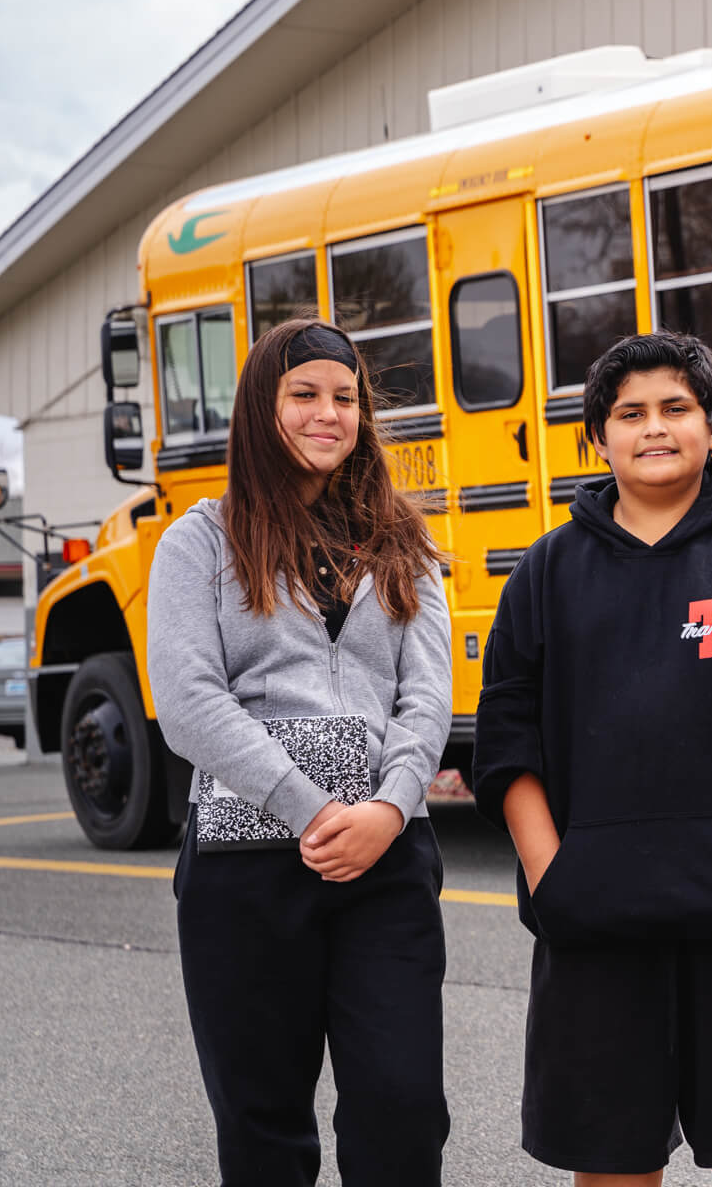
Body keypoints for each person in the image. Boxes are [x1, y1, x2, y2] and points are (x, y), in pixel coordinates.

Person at [472, 331, 712, 1186]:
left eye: (677, 408)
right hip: (593, 919)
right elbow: (507, 738)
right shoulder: (546, 569)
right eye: (629, 412)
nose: (654, 427)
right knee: (610, 1165)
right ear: (597, 438)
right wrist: (552, 875)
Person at [147, 318, 454, 1186]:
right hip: (245, 869)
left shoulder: (400, 541)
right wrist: (312, 808)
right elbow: (188, 704)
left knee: (401, 1113)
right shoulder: (200, 540)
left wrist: (388, 810)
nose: (330, 415)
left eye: (346, 398)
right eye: (305, 395)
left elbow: (427, 694)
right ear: (260, 408)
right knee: (263, 1124)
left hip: (387, 863)